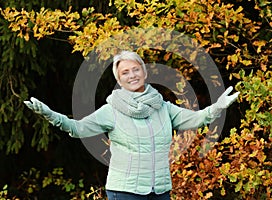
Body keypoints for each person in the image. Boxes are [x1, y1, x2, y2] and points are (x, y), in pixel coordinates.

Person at [24, 50, 240, 200]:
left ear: (144, 73)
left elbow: (197, 119)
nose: (132, 75)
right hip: (124, 191)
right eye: (125, 72)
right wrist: (50, 114)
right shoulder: (111, 111)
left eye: (135, 70)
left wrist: (217, 107)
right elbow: (78, 128)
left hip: (160, 190)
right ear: (119, 79)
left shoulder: (162, 107)